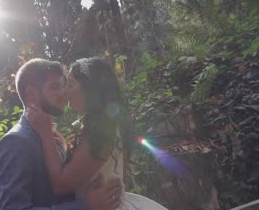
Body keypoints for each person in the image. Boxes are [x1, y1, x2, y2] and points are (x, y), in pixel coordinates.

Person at [28, 57, 168, 210]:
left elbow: (61, 185)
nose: (65, 91)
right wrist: (64, 147)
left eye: (71, 84)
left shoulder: (100, 131)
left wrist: (45, 133)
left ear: (90, 88)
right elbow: (92, 168)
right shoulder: (103, 125)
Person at [0, 58, 123, 210]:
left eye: (64, 86)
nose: (64, 93)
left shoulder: (51, 137)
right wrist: (85, 206)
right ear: (31, 94)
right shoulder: (16, 141)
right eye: (55, 87)